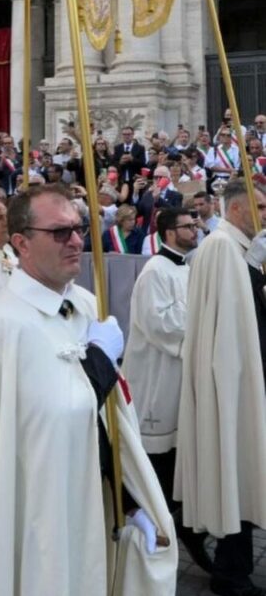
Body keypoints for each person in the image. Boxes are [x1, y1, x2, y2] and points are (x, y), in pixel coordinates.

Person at [0, 185, 177, 596]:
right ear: (22, 243)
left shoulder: (82, 302)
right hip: (41, 513)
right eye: (60, 233)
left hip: (94, 501)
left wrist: (129, 499)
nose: (77, 241)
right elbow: (55, 419)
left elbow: (103, 424)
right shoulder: (3, 326)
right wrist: (99, 358)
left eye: (78, 229)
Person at [174, 180, 266, 596]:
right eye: (260, 207)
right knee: (236, 471)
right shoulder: (222, 249)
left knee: (245, 474)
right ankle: (231, 571)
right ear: (237, 210)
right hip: (232, 385)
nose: (265, 215)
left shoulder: (239, 249)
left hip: (252, 380)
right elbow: (226, 325)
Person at [122, 207, 211, 572]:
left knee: (177, 456)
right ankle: (148, 526)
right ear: (170, 233)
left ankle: (179, 524)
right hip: (157, 377)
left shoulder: (189, 267)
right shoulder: (154, 271)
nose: (196, 229)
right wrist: (205, 322)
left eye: (196, 224)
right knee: (158, 459)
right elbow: (160, 323)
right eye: (189, 226)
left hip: (182, 373)